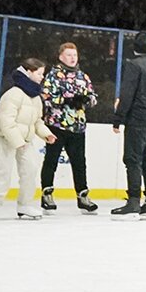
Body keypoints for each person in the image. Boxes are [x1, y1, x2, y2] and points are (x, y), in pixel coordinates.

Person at [0, 58, 55, 221]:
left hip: (26, 140)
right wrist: (18, 142)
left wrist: (46, 133)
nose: (41, 77)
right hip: (8, 139)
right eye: (39, 74)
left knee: (30, 170)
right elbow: (6, 121)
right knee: (4, 170)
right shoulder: (13, 95)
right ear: (29, 72)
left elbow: (37, 120)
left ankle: (25, 205)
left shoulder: (36, 97)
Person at [40, 42, 99, 214]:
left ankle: (83, 196)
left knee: (79, 162)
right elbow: (45, 97)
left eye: (74, 55)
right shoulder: (53, 76)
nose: (72, 58)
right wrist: (65, 101)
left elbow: (93, 96)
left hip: (77, 127)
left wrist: (86, 100)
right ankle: (47, 194)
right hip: (56, 125)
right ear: (60, 57)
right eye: (68, 55)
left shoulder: (83, 76)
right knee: (51, 160)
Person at [111, 31, 146, 220]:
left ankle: (133, 201)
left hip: (138, 119)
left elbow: (127, 94)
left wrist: (118, 119)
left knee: (133, 159)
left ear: (134, 46)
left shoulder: (134, 66)